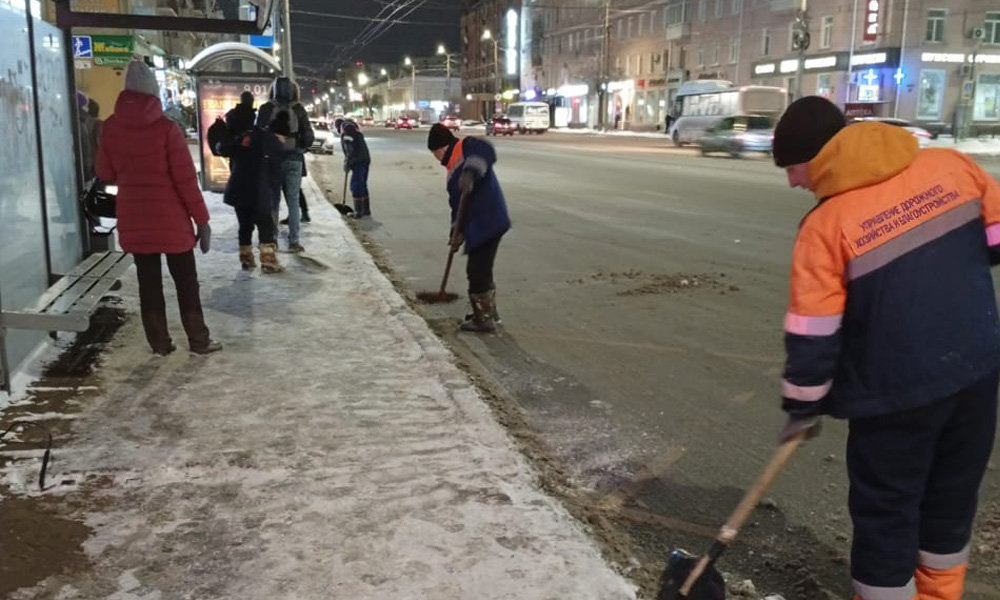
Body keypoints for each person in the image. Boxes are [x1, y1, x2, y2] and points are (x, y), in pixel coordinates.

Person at [772, 96, 1000, 600]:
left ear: (821, 157)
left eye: (793, 167)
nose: (791, 182)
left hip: (895, 396)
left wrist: (803, 407)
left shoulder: (824, 227)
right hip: (977, 371)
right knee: (951, 499)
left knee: (887, 513)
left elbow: (813, 333)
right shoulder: (952, 166)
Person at [96, 60, 222, 356]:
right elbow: (185, 181)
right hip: (171, 221)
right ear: (153, 92)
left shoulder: (110, 127)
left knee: (148, 284)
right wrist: (202, 220)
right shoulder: (167, 129)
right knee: (186, 283)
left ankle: (160, 343)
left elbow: (104, 172)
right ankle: (199, 340)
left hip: (134, 220)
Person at [426, 123, 510, 333]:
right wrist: (456, 231)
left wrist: (471, 172)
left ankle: (484, 319)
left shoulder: (467, 146)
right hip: (479, 225)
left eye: (434, 153)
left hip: (489, 221)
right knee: (482, 269)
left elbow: (486, 151)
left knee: (477, 270)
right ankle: (487, 312)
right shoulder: (450, 172)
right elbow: (457, 207)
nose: (435, 158)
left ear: (440, 149)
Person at [256, 77, 314, 253]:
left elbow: (257, 134)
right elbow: (309, 137)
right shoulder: (299, 109)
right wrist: (300, 147)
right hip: (294, 159)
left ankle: (272, 239)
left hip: (272, 160)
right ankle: (294, 241)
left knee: (273, 200)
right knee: (293, 200)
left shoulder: (266, 109)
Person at [224, 116, 285, 274]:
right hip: (257, 191)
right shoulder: (271, 141)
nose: (284, 141)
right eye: (284, 137)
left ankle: (246, 259)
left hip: (238, 189)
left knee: (245, 226)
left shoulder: (248, 136)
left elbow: (227, 149)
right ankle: (268, 261)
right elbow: (275, 173)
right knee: (265, 225)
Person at [335, 117, 372, 218]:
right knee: (362, 184)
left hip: (358, 161)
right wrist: (348, 161)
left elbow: (349, 148)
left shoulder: (346, 130)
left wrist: (348, 162)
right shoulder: (352, 128)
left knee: (356, 185)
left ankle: (358, 212)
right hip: (364, 159)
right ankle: (365, 210)